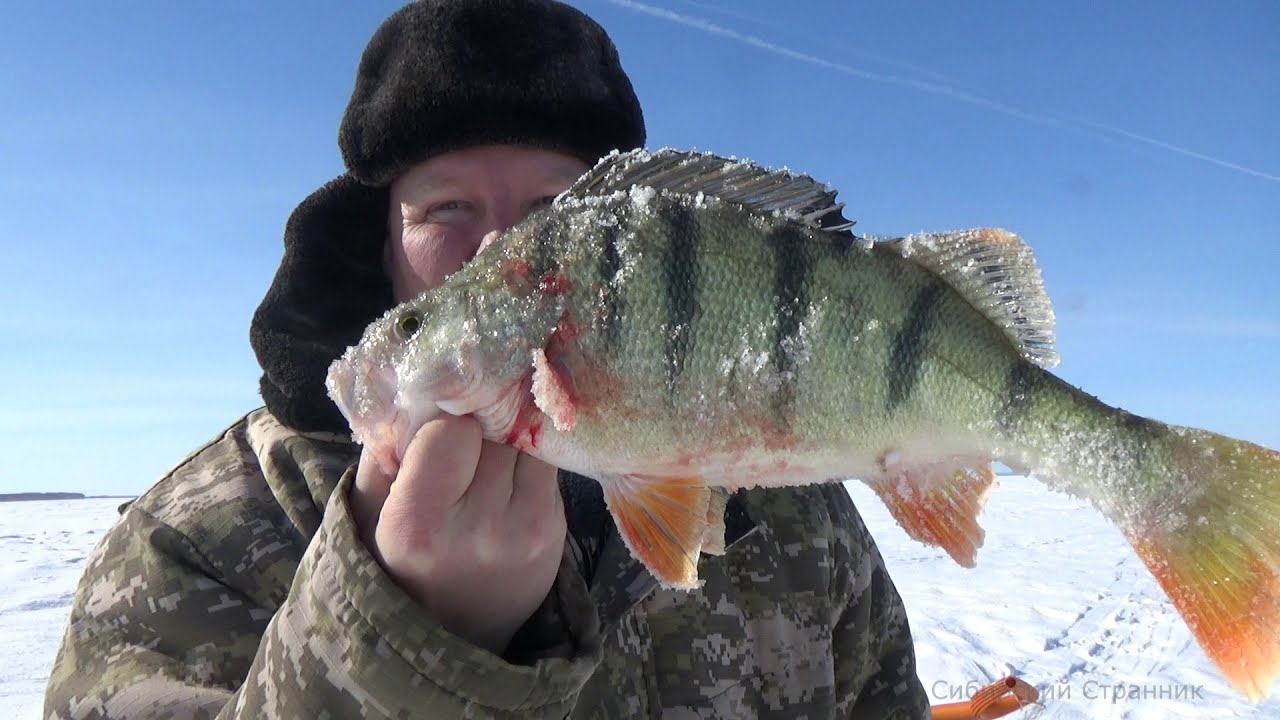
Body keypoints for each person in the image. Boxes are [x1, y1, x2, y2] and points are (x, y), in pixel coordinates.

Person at [44, 1, 930, 717]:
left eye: (551, 209)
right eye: (446, 209)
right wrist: (403, 635)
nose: (504, 251)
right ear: (381, 247)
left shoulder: (787, 505)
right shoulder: (194, 546)